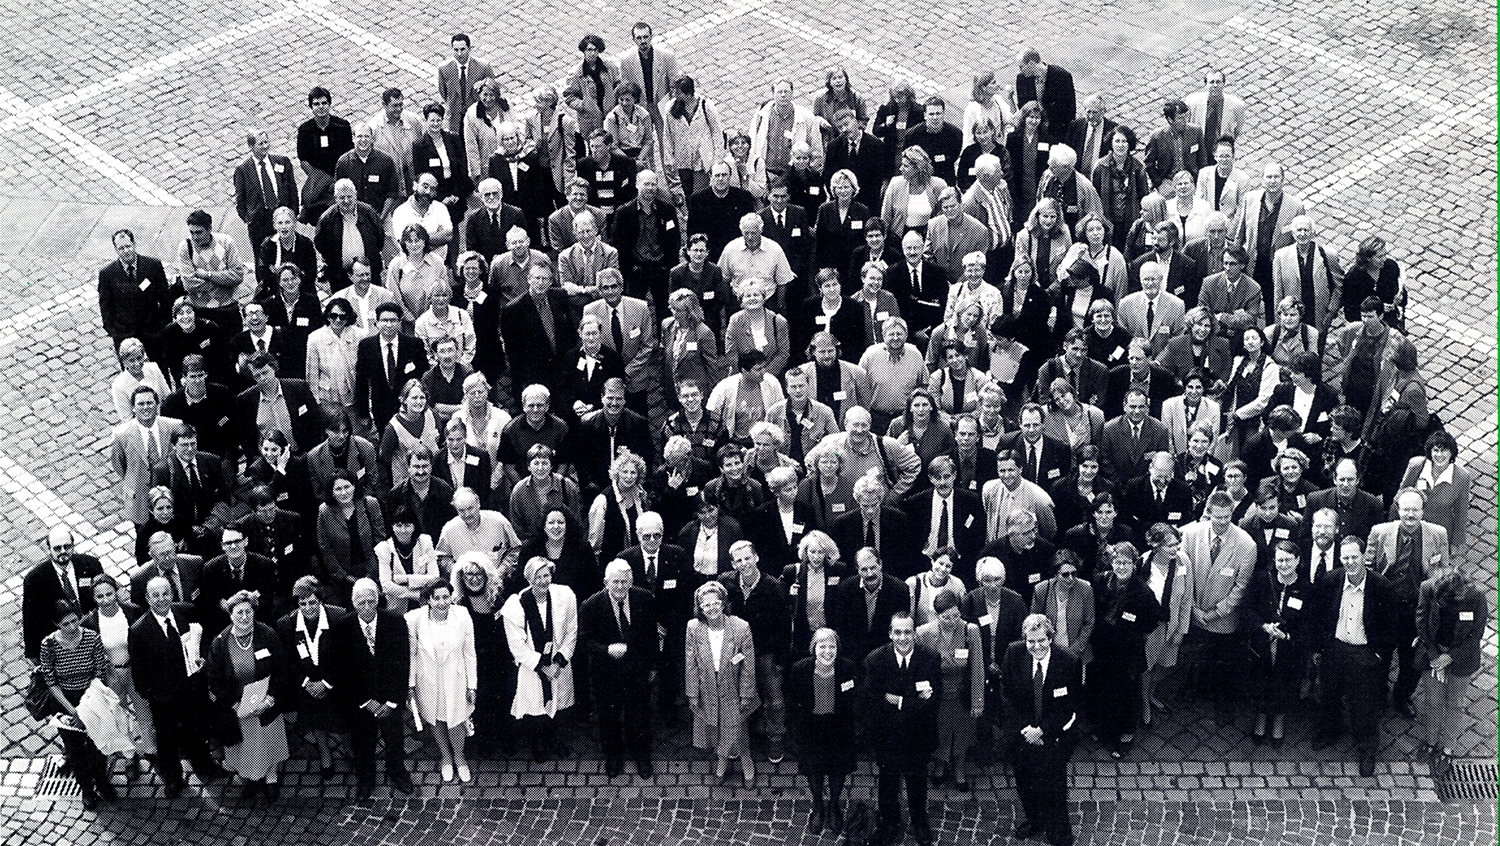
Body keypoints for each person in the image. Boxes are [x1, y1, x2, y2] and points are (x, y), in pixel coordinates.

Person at [128, 576, 226, 797]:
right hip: (163, 698)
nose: (162, 599)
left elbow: (205, 638)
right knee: (167, 739)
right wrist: (153, 694)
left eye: (165, 594)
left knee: (197, 729)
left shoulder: (187, 612)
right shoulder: (139, 630)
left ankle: (204, 765)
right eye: (156, 595)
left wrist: (202, 658)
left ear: (172, 594)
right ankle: (173, 778)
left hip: (192, 688)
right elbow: (139, 671)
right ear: (147, 598)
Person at [1310, 535, 1396, 777]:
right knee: (1329, 695)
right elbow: (1319, 617)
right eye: (1345, 557)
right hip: (1335, 649)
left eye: (1354, 557)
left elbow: (1391, 627)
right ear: (1340, 558)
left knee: (1364, 705)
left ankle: (1367, 748)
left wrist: (1378, 655)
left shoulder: (1381, 587)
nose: (1350, 562)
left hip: (1364, 653)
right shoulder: (1331, 580)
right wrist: (1321, 647)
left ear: (1364, 558)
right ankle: (1330, 731)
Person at [327, 578, 413, 799]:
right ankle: (366, 777)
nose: (367, 607)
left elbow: (402, 665)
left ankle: (397, 771)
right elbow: (342, 672)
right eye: (361, 602)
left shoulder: (395, 622)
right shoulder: (342, 628)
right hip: (361, 701)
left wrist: (392, 701)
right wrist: (366, 701)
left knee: (394, 738)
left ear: (378, 600)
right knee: (362, 741)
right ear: (353, 603)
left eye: (371, 601)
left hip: (389, 699)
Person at [1368, 488, 1450, 719]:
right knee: (1380, 657)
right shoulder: (1380, 532)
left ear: (1423, 511)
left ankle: (1402, 696)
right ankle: (1379, 695)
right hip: (1386, 608)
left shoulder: (1438, 534)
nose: (1410, 515)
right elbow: (1369, 567)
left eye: (1415, 510)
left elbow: (1444, 570)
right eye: (1405, 509)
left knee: (1412, 661)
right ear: (1397, 510)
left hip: (1418, 610)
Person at [861, 610, 940, 846]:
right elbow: (872, 701)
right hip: (888, 737)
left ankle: (919, 820)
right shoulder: (875, 660)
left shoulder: (929, 658)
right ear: (890, 633)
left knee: (917, 780)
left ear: (914, 634)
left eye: (907, 632)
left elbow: (933, 701)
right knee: (888, 782)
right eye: (897, 632)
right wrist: (915, 702)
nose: (903, 637)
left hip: (919, 735)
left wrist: (899, 701)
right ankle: (889, 822)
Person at [1002, 613, 1082, 846]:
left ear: (1051, 638)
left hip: (1053, 737)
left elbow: (1071, 707)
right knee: (1025, 784)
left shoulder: (1068, 661)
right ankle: (1034, 820)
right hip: (1022, 735)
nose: (1036, 646)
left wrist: (1042, 731)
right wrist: (1026, 729)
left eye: (1041, 641)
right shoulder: (1013, 653)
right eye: (1030, 641)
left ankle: (1059, 833)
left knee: (1054, 790)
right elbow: (1007, 697)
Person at [205, 590, 290, 803]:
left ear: (254, 612)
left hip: (265, 706)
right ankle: (252, 778)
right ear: (230, 615)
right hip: (238, 709)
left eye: (248, 611)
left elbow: (282, 670)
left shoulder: (267, 634)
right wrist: (234, 705)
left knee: (267, 744)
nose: (244, 617)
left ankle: (270, 777)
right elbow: (214, 680)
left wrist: (270, 699)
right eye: (239, 613)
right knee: (247, 749)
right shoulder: (220, 643)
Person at [1182, 491, 1257, 726]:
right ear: (1209, 513)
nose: (1223, 522)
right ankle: (1194, 690)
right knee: (1194, 656)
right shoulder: (1190, 534)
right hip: (1192, 609)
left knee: (1225, 665)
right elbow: (1183, 575)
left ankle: (1224, 707)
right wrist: (1192, 608)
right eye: (1218, 517)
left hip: (1223, 618)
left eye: (1227, 517)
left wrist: (1215, 613)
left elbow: (1240, 588)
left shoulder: (1246, 545)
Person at [580, 560, 659, 778]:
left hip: (637, 670)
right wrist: (606, 649)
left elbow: (651, 635)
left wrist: (653, 666)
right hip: (607, 673)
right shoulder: (591, 605)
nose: (620, 587)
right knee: (609, 717)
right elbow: (584, 642)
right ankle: (613, 757)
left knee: (640, 715)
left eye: (625, 582)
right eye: (615, 582)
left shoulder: (643, 598)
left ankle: (642, 756)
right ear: (606, 582)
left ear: (631, 581)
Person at [38, 599, 118, 809]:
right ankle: (86, 789)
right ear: (57, 625)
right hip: (65, 701)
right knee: (74, 750)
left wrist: (88, 707)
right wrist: (73, 710)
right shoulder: (49, 645)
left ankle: (102, 782)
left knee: (97, 745)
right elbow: (51, 681)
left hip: (92, 696)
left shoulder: (92, 638)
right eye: (66, 624)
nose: (72, 627)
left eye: (75, 621)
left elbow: (99, 674)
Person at [1089, 542, 1163, 759]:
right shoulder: (1101, 581)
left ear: (1134, 564)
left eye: (1126, 563)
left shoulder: (1142, 591)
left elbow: (1154, 618)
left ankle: (1125, 735)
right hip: (1103, 647)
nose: (1121, 567)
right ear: (1111, 563)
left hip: (1127, 651)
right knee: (1103, 690)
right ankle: (1105, 729)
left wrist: (1134, 629)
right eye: (1117, 562)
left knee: (1126, 694)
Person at [502, 557, 578, 762]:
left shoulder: (564, 596)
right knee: (535, 707)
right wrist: (543, 667)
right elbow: (517, 646)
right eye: (538, 577)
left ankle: (552, 739)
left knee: (556, 706)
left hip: (558, 664)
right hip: (532, 667)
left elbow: (571, 631)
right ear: (529, 580)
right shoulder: (516, 605)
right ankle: (537, 743)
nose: (544, 581)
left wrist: (559, 661)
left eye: (547, 576)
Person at [785, 627, 859, 834]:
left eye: (832, 646)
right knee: (814, 771)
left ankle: (834, 805)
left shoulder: (848, 668)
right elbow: (792, 701)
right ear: (813, 648)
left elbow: (855, 699)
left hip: (839, 728)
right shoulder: (800, 669)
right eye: (822, 646)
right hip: (811, 728)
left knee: (838, 770)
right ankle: (818, 806)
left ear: (838, 648)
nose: (828, 651)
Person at [684, 580, 759, 784]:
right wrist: (692, 693)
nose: (711, 608)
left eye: (715, 603)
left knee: (738, 728)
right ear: (700, 608)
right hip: (707, 687)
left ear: (724, 603)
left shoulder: (740, 627)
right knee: (717, 727)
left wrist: (746, 695)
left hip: (733, 686)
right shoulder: (693, 627)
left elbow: (748, 665)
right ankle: (722, 762)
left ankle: (747, 762)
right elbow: (690, 662)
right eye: (706, 605)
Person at [1416, 563, 1486, 776]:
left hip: (1461, 657)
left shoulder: (1476, 597)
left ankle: (1447, 748)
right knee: (1433, 701)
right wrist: (1434, 654)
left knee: (1455, 704)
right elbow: (1421, 621)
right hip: (1434, 652)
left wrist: (1450, 657)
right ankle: (1430, 741)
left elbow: (1476, 634)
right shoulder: (1428, 588)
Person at [405, 580, 477, 783]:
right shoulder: (414, 619)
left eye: (446, 597)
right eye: (436, 598)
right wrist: (410, 684)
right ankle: (446, 756)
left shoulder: (462, 616)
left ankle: (460, 757)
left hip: (455, 679)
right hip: (428, 679)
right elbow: (411, 654)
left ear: (451, 597)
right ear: (428, 599)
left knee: (456, 720)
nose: (441, 602)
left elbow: (470, 653)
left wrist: (472, 685)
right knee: (435, 719)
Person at [275, 576, 347, 777]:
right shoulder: (286, 625)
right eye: (302, 604)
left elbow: (344, 658)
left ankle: (350, 748)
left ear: (320, 600)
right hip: (306, 685)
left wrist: (326, 683)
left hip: (334, 682)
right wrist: (307, 683)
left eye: (312, 602)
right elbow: (287, 661)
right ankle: (325, 752)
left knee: (343, 720)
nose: (307, 608)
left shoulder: (338, 617)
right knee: (315, 720)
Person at [1244, 540, 1313, 746]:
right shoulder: (1261, 580)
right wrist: (1263, 627)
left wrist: (1287, 636)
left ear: (1298, 560)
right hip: (1262, 645)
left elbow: (1309, 625)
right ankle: (1262, 716)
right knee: (1262, 681)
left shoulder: (1306, 588)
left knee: (1285, 684)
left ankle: (1279, 719)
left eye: (1288, 560)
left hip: (1289, 648)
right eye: (1279, 560)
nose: (1283, 564)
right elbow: (1247, 610)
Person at [82, 577, 154, 773]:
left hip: (134, 670)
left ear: (116, 592)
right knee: (119, 715)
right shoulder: (89, 622)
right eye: (100, 596)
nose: (106, 600)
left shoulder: (131, 611)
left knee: (145, 712)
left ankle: (151, 750)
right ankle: (130, 755)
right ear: (94, 599)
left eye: (109, 594)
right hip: (111, 674)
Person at [914, 591, 983, 791]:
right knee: (940, 730)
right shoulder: (923, 633)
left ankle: (959, 767)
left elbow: (978, 666)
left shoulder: (971, 631)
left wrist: (978, 700)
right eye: (946, 617)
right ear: (937, 616)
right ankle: (940, 765)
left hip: (962, 691)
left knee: (963, 731)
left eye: (956, 615)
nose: (952, 621)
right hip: (937, 693)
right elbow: (920, 668)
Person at [24, 526, 106, 665]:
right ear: (48, 550)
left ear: (73, 546)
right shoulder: (35, 580)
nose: (63, 552)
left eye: (67, 547)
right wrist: (33, 654)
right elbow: (31, 619)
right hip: (63, 644)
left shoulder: (90, 565)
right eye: (57, 548)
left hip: (94, 633)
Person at [1139, 523, 1192, 727]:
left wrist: (1182, 629)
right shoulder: (1143, 562)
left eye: (1177, 544)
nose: (1175, 549)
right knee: (1146, 667)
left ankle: (1150, 692)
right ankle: (1144, 703)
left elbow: (1187, 598)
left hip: (1172, 626)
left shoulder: (1183, 561)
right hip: (1150, 629)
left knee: (1167, 665)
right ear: (1155, 545)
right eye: (1169, 545)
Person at [111, 385, 183, 529]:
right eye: (140, 404)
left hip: (170, 493)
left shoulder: (174, 426)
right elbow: (119, 464)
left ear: (157, 404)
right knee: (144, 533)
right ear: (133, 408)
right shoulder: (121, 435)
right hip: (139, 497)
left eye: (150, 403)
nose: (146, 407)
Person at [315, 469, 386, 605]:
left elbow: (380, 539)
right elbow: (325, 548)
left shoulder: (370, 504)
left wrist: (371, 573)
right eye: (338, 489)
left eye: (347, 487)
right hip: (343, 575)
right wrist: (344, 576)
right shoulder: (325, 511)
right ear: (331, 492)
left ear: (354, 485)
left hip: (372, 568)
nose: (343, 492)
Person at [1395, 430, 1472, 553]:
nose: (1439, 455)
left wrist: (1456, 542)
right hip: (1411, 526)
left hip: (1437, 532)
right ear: (1430, 452)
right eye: (1436, 450)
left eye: (1444, 450)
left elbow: (1461, 512)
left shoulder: (1462, 476)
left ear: (1451, 453)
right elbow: (1400, 496)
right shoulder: (1416, 465)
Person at [98, 228, 172, 352]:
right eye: (121, 248)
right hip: (124, 334)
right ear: (116, 249)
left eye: (128, 246)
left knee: (160, 367)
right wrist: (114, 331)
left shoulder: (153, 266)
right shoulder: (107, 274)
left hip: (153, 330)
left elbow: (165, 298)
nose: (126, 251)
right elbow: (106, 306)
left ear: (134, 244)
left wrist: (163, 324)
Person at [233, 130, 299, 252]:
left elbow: (292, 189)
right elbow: (240, 200)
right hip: (259, 223)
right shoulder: (242, 170)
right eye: (260, 144)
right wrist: (250, 219)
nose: (265, 146)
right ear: (251, 146)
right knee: (262, 259)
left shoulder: (282, 161)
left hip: (282, 218)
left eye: (266, 142)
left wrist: (293, 213)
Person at [1029, 551, 1094, 666]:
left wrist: (1074, 651)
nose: (1070, 578)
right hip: (1048, 652)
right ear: (1055, 574)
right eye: (1065, 574)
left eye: (1074, 573)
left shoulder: (1085, 589)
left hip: (1077, 653)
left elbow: (1089, 623)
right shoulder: (1042, 589)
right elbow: (1033, 622)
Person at [1341, 234, 1406, 330]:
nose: (1384, 259)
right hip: (1365, 326)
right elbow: (1350, 313)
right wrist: (1376, 310)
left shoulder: (1390, 267)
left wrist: (1400, 298)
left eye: (1385, 255)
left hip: (1389, 321)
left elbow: (1398, 292)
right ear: (1368, 258)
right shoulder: (1353, 278)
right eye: (1380, 257)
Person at [1013, 48, 1075, 142]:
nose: (1020, 70)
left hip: (1056, 130)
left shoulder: (1062, 76)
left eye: (1021, 67)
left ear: (1031, 64)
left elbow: (1070, 108)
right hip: (1033, 130)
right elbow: (1022, 105)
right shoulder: (1022, 78)